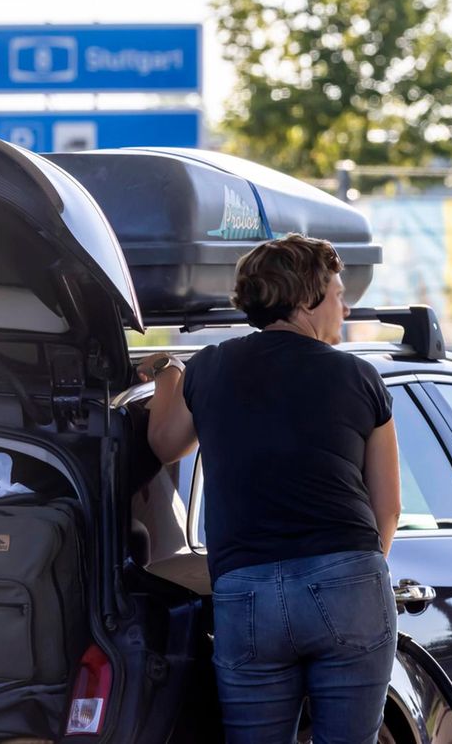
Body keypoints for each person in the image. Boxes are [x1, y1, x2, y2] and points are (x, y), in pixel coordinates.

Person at [142, 233, 402, 744]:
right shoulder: (359, 376)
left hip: (247, 590)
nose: (345, 308)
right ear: (307, 300)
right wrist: (358, 583)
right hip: (348, 576)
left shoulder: (211, 367)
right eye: (337, 294)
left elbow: (164, 445)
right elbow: (388, 507)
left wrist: (170, 375)